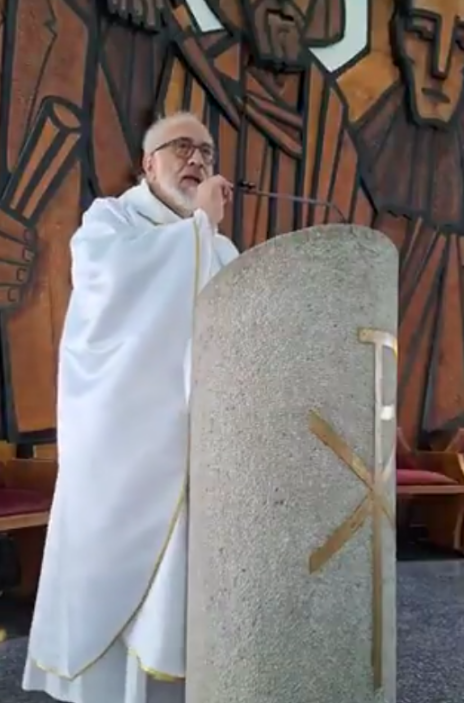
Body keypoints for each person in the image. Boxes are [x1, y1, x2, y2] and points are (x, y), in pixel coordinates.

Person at [22, 111, 239, 703]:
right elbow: (115, 292)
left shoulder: (218, 247)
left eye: (207, 153)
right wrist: (198, 230)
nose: (197, 160)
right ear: (148, 164)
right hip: (119, 445)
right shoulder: (108, 221)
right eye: (182, 149)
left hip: (194, 450)